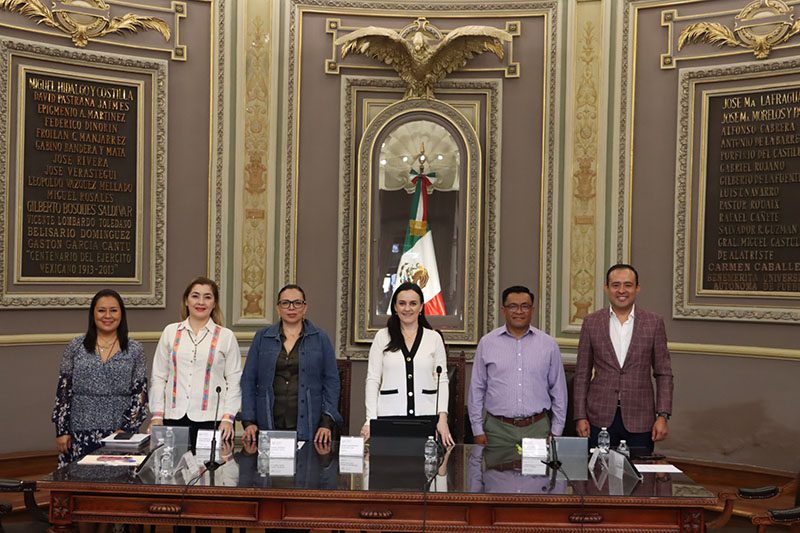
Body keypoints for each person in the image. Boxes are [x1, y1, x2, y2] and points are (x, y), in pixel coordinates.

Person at [51, 289, 148, 533]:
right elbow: (64, 389)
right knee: (84, 498)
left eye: (113, 310)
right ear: (92, 314)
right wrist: (62, 430)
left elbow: (140, 394)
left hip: (117, 435)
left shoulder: (134, 349)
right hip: (80, 431)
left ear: (121, 314)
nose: (107, 315)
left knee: (113, 498)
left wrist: (126, 431)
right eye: (101, 310)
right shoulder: (75, 346)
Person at [573, 263, 674, 454]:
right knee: (598, 471)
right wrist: (580, 416)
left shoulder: (654, 323)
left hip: (640, 417)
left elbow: (664, 373)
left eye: (628, 285)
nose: (621, 291)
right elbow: (582, 374)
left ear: (637, 288)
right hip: (598, 417)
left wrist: (662, 415)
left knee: (639, 471)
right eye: (615, 285)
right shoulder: (591, 322)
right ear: (606, 288)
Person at [241, 284, 342, 444]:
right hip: (267, 421)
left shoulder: (320, 338)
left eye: (297, 303)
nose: (291, 308)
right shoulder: (262, 338)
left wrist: (326, 422)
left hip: (309, 423)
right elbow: (248, 380)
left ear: (305, 307)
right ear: (278, 308)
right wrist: (249, 420)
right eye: (285, 303)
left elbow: (332, 382)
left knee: (307, 460)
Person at [468, 285, 568, 447]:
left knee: (538, 466)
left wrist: (557, 430)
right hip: (497, 430)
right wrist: (477, 430)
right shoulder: (487, 343)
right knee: (494, 465)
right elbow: (477, 389)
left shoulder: (548, 345)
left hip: (537, 428)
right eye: (513, 306)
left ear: (532, 310)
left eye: (525, 306)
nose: (519, 311)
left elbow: (559, 391)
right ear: (503, 310)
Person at [150, 276, 242, 449]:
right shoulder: (170, 332)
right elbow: (159, 377)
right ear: (186, 301)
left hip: (213, 419)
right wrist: (157, 415)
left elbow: (234, 380)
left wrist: (228, 417)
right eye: (195, 296)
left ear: (214, 303)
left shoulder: (226, 336)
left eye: (207, 297)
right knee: (172, 465)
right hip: (173, 417)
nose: (201, 302)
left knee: (209, 466)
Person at [361, 281, 454, 446]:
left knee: (426, 462)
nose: (407, 308)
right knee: (388, 462)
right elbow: (373, 379)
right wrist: (370, 419)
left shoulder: (434, 338)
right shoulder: (382, 337)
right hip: (389, 416)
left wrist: (442, 418)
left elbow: (442, 380)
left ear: (421, 307)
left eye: (413, 303)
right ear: (395, 307)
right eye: (402, 303)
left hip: (426, 417)